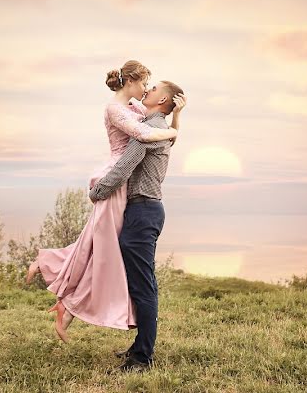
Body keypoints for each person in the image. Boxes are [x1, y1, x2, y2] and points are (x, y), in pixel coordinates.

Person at [25, 60, 184, 343]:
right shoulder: (115, 109)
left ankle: (63, 294)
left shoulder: (137, 109)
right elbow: (144, 135)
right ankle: (52, 268)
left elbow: (153, 126)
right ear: (132, 81)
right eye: (145, 82)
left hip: (125, 189)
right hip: (114, 179)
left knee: (102, 246)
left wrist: (176, 120)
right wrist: (174, 129)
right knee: (99, 243)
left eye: (152, 86)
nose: (147, 87)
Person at [89, 79, 186, 372]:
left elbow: (125, 166)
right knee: (141, 283)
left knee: (143, 286)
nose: (148, 90)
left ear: (163, 101)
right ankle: (140, 346)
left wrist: (98, 191)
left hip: (143, 212)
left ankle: (142, 357)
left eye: (154, 89)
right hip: (143, 211)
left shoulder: (150, 131)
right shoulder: (154, 126)